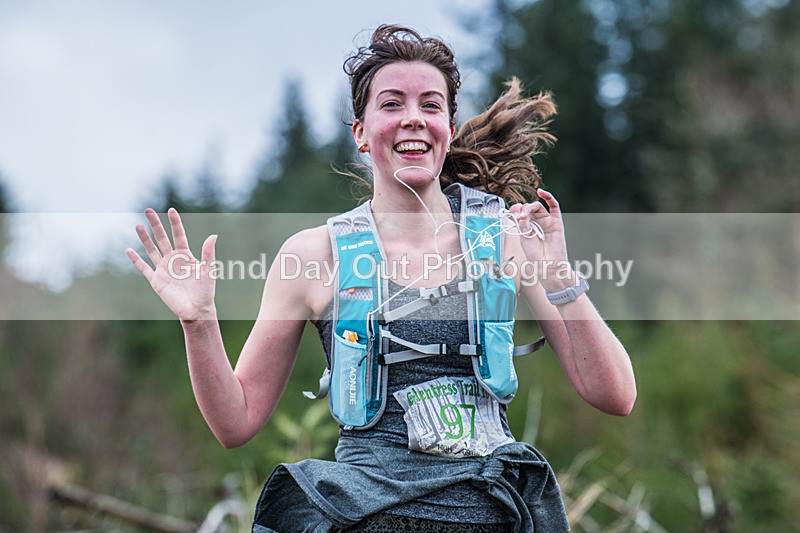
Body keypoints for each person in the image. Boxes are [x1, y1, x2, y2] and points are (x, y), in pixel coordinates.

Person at [126, 24, 636, 533]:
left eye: (430, 105)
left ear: (448, 128)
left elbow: (615, 395)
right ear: (362, 134)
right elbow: (235, 423)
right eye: (392, 104)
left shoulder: (505, 237)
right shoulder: (313, 255)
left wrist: (558, 274)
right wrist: (199, 322)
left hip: (491, 514)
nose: (413, 118)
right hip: (364, 516)